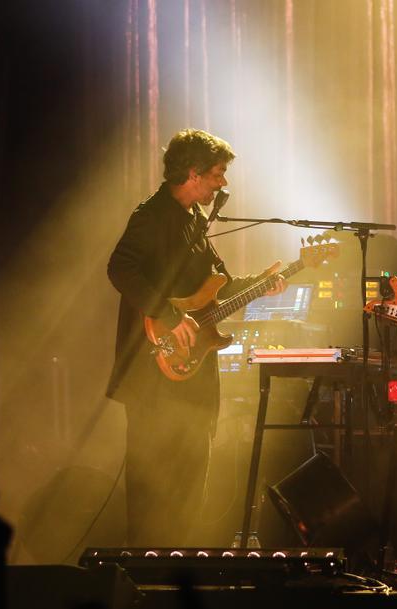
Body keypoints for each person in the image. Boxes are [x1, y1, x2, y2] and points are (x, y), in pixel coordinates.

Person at [107, 129, 285, 547]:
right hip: (154, 371)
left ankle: (181, 564)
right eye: (218, 174)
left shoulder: (194, 223)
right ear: (192, 173)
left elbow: (217, 288)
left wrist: (262, 283)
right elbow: (120, 269)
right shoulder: (150, 216)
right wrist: (168, 315)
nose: (223, 183)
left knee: (190, 482)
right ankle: (147, 573)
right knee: (153, 484)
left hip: (191, 375)